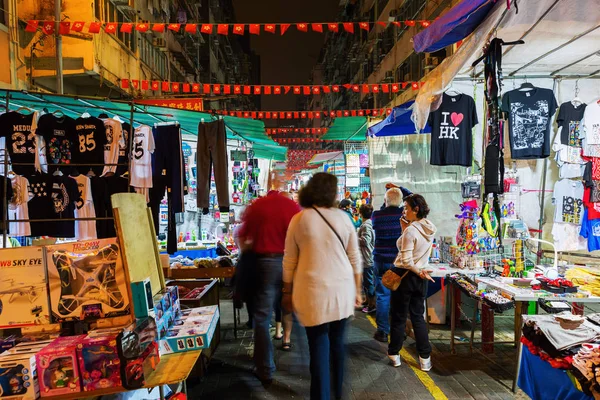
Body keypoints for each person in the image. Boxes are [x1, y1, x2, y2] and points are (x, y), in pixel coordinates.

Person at [283, 173, 362, 400]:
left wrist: (286, 291)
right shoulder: (344, 218)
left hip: (311, 292)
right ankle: (338, 394)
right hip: (342, 291)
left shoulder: (299, 219)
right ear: (332, 193)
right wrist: (358, 290)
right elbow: (355, 258)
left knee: (318, 348)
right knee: (337, 346)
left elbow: (289, 261)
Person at [238, 190, 300, 385]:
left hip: (265, 265)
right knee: (295, 310)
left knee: (262, 317)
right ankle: (308, 367)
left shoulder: (257, 207)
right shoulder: (291, 207)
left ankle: (265, 369)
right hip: (291, 262)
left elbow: (243, 239)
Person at [387, 194, 436, 371]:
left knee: (399, 317)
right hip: (420, 279)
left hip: (406, 277)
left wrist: (418, 271)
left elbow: (407, 260)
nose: (403, 211)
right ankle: (425, 358)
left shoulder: (412, 230)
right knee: (418, 317)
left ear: (416, 209)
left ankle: (394, 354)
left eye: (406, 208)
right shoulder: (429, 227)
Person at [371, 186, 411, 343]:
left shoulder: (376, 216)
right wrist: (400, 188)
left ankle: (382, 331)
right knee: (398, 297)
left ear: (385, 201)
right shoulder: (403, 216)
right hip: (397, 263)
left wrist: (386, 201)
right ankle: (398, 331)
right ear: (401, 202)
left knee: (382, 296)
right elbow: (414, 199)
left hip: (380, 260)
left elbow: (384, 209)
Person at [358, 204, 376, 313]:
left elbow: (365, 240)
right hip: (366, 257)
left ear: (361, 213)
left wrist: (354, 237)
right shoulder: (367, 224)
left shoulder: (366, 225)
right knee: (366, 282)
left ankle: (372, 305)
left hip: (367, 258)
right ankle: (367, 300)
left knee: (369, 282)